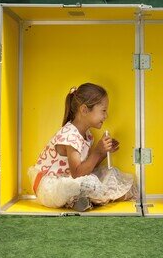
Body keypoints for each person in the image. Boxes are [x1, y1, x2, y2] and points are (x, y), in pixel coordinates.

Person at [28, 83, 137, 211]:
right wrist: (97, 152)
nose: (106, 116)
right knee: (88, 183)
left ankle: (79, 201)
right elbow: (77, 174)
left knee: (108, 173)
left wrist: (103, 152)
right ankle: (77, 201)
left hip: (69, 179)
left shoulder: (87, 135)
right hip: (50, 187)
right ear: (84, 110)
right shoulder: (70, 135)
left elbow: (87, 168)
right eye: (103, 110)